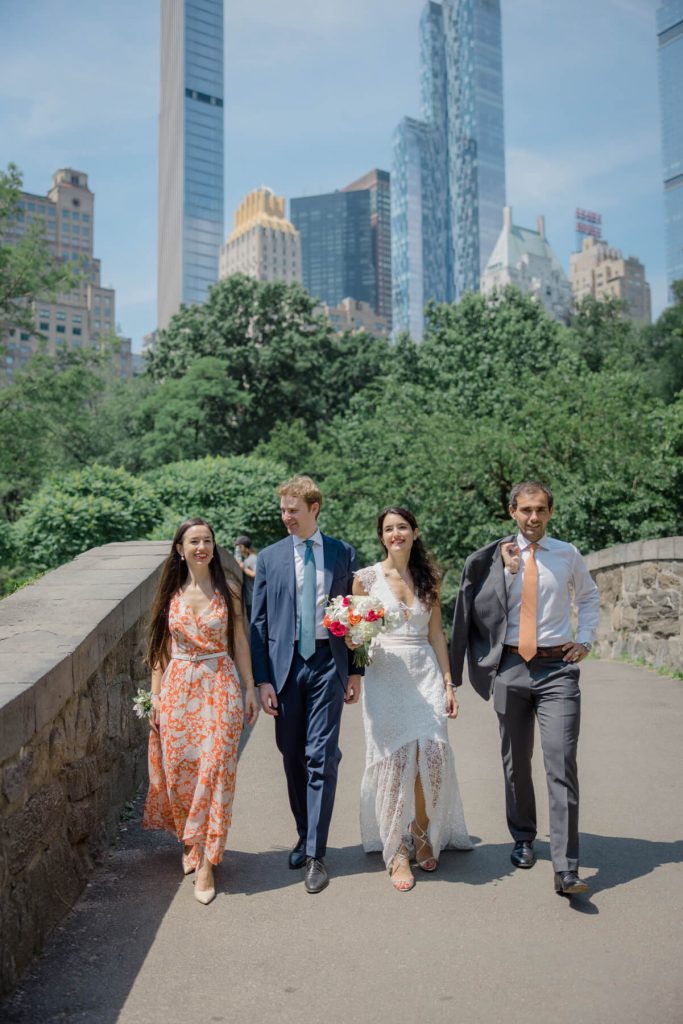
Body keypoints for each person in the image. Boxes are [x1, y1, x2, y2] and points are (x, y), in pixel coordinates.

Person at [450, 481, 599, 895]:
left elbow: (588, 598)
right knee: (515, 761)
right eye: (525, 510)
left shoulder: (567, 554)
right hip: (511, 667)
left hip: (557, 670)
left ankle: (567, 867)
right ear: (512, 512)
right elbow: (474, 611)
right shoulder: (494, 558)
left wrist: (584, 639)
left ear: (550, 513)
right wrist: (507, 574)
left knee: (560, 762)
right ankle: (523, 837)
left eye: (540, 510)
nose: (533, 518)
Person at [250, 476, 362, 894]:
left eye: (293, 510)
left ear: (314, 508)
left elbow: (357, 617)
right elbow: (258, 623)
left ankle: (316, 853)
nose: (286, 517)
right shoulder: (270, 558)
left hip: (327, 664)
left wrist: (354, 671)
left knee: (321, 755)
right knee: (291, 753)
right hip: (284, 667)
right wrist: (262, 679)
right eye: (283, 510)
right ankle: (304, 831)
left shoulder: (341, 553)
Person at [353, 507, 472, 892]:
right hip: (385, 674)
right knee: (393, 760)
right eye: (388, 529)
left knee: (432, 754)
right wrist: (353, 636)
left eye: (402, 527)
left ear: (415, 531)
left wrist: (449, 682)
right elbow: (355, 640)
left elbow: (437, 634)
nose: (395, 534)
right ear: (381, 536)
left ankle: (421, 829)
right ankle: (397, 850)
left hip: (424, 672)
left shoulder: (429, 577)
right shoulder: (365, 579)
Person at [143, 517, 259, 905]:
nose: (201, 547)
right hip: (178, 687)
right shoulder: (170, 593)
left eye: (207, 540)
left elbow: (240, 639)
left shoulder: (229, 590)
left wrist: (249, 688)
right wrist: (155, 697)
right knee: (180, 771)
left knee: (214, 770)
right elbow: (159, 650)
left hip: (219, 683)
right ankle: (191, 841)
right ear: (180, 548)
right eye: (193, 541)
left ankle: (208, 861)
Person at [234, 534, 257, 619]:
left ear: (243, 546)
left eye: (239, 547)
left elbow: (256, 574)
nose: (238, 550)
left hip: (253, 599)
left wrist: (242, 567)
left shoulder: (253, 558)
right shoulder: (247, 560)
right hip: (249, 598)